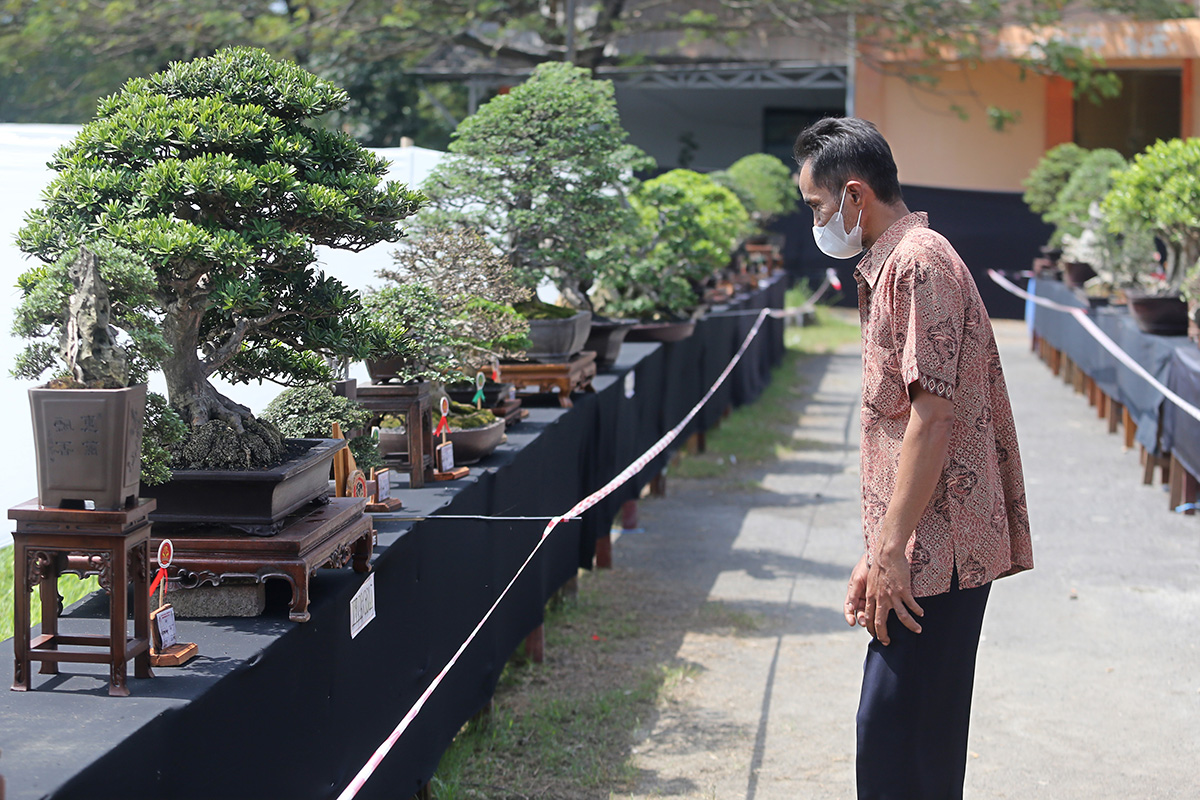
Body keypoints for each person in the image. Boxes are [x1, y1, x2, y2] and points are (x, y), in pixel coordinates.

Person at [793, 117, 1034, 799]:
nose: (815, 221)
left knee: (904, 740)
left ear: (855, 197)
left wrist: (891, 549)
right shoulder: (897, 262)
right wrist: (878, 550)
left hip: (940, 548)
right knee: (902, 733)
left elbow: (931, 417)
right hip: (916, 547)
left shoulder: (917, 263)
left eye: (817, 206)